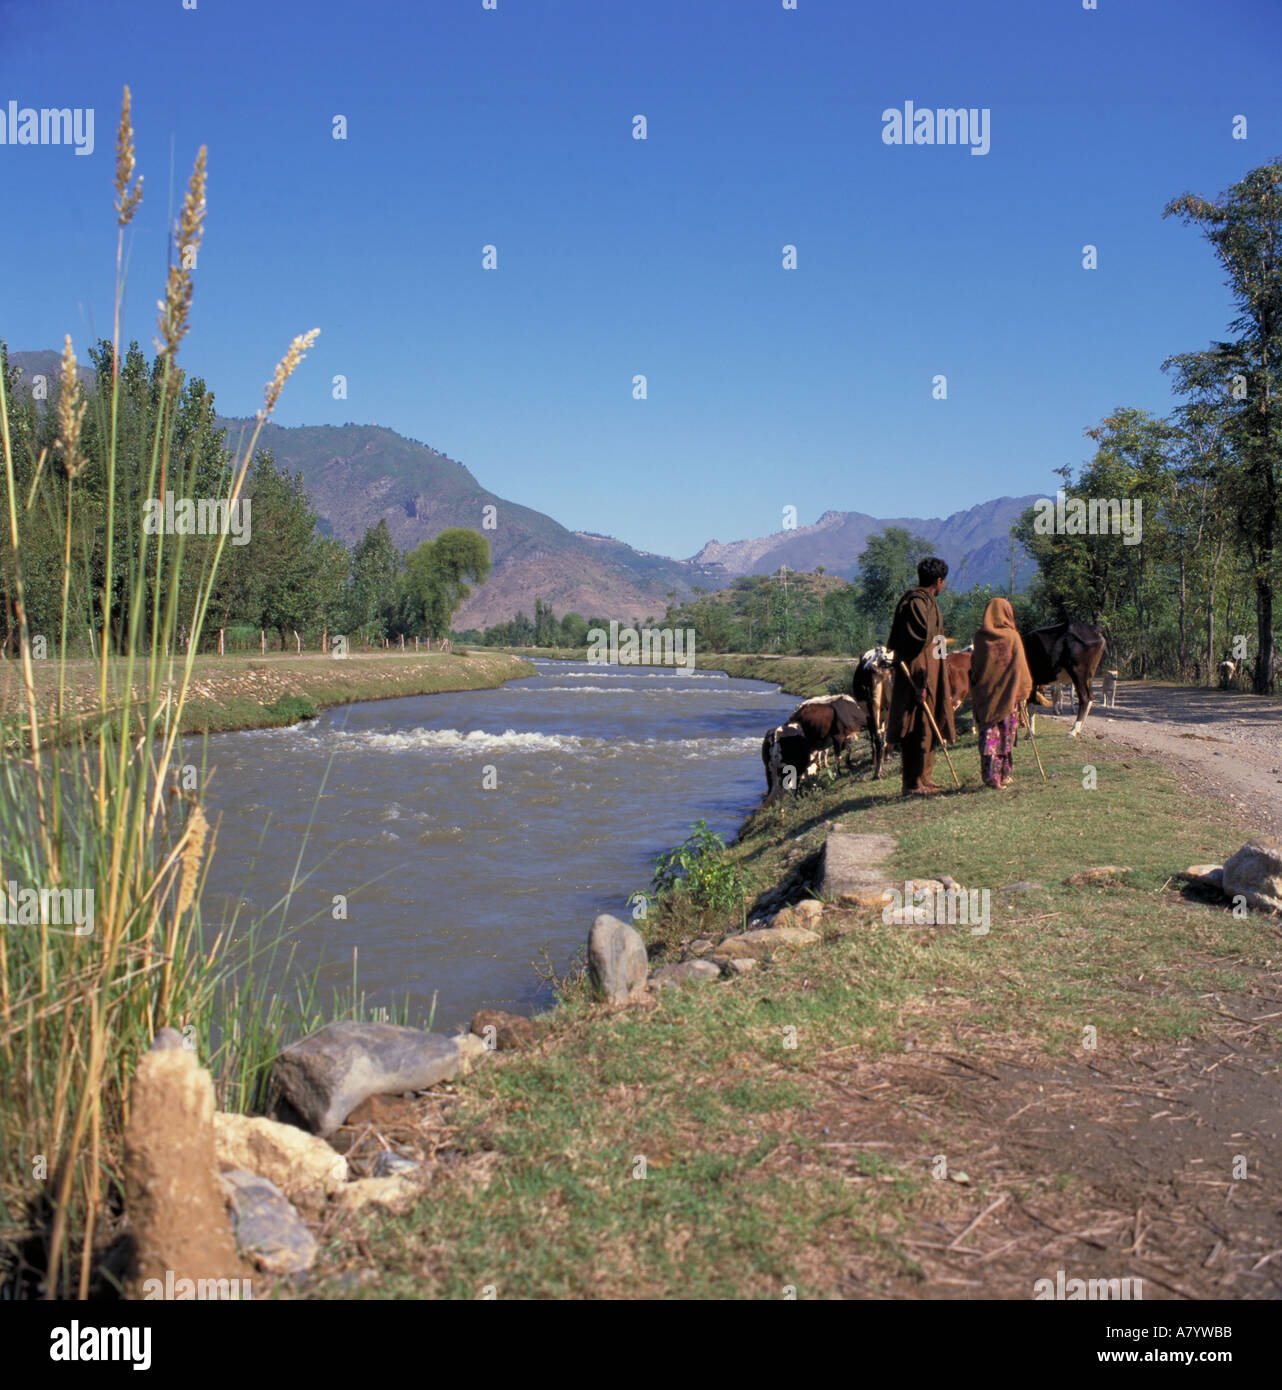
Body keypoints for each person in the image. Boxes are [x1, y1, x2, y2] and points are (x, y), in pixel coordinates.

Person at [886, 557, 955, 796]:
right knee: (915, 727)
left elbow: (939, 640)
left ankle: (925, 776)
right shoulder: (916, 603)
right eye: (944, 581)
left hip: (933, 674)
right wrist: (922, 682)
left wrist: (944, 668)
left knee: (930, 723)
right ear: (939, 581)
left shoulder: (931, 603)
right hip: (917, 675)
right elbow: (919, 645)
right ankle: (912, 783)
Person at [969, 596, 1034, 790]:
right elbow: (1020, 667)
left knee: (990, 737)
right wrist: (1022, 690)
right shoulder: (1012, 637)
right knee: (1006, 735)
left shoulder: (980, 638)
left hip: (986, 697)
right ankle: (1004, 775)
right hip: (1008, 698)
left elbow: (975, 666)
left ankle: (991, 777)